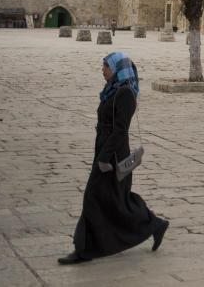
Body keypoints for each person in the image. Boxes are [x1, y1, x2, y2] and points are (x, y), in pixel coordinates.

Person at [59, 52, 168, 264]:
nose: (103, 69)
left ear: (117, 69)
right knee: (118, 201)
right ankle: (155, 224)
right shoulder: (111, 91)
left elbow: (120, 131)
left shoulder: (125, 94)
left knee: (93, 196)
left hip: (113, 156)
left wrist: (104, 158)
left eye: (106, 66)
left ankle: (83, 250)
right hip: (105, 150)